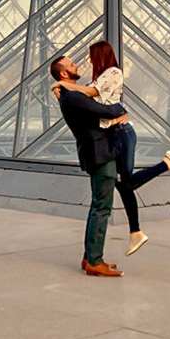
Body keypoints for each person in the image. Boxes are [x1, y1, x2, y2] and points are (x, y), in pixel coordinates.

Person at [54, 40, 170, 255]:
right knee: (123, 185)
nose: (85, 61)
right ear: (63, 73)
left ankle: (166, 164)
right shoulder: (91, 82)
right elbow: (92, 102)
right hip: (113, 135)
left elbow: (93, 97)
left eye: (91, 56)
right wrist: (65, 88)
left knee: (124, 183)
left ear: (100, 56)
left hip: (122, 133)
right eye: (72, 64)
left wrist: (119, 109)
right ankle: (135, 232)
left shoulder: (113, 72)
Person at [50, 53, 129, 277]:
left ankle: (90, 257)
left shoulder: (71, 94)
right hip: (100, 154)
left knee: (98, 206)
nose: (77, 65)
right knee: (102, 207)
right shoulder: (73, 97)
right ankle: (94, 260)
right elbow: (107, 110)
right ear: (64, 73)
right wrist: (121, 107)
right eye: (72, 64)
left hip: (96, 153)